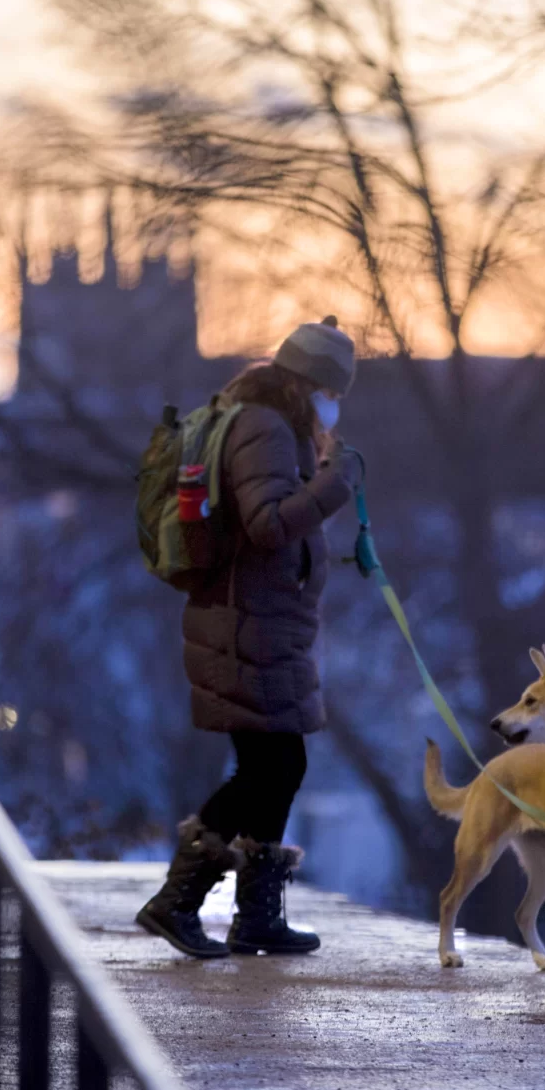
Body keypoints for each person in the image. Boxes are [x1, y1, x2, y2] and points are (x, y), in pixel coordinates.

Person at [136, 317, 364, 958]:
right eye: (333, 391)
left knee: (275, 765)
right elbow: (267, 526)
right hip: (245, 623)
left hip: (256, 622)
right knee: (271, 765)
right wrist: (335, 484)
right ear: (310, 382)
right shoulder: (263, 426)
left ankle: (254, 915)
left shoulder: (265, 422)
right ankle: (177, 903)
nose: (334, 405)